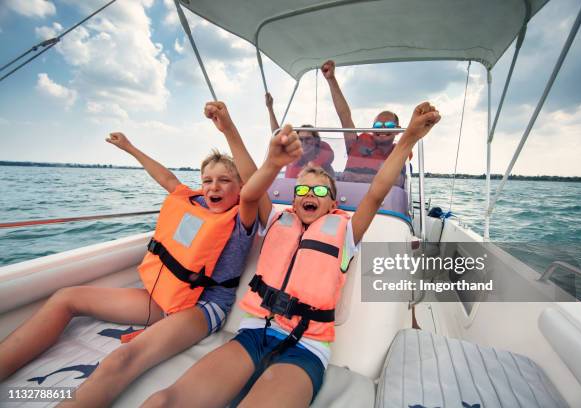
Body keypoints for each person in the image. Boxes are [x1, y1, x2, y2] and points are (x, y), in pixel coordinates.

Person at [141, 101, 440, 408]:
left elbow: (377, 190)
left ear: (333, 205)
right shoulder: (274, 220)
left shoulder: (347, 232)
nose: (310, 195)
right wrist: (228, 128)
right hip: (253, 335)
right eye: (302, 191)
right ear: (293, 202)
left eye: (320, 191)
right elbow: (251, 180)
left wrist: (408, 139)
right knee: (169, 401)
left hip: (306, 349)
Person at [0, 102, 262, 408]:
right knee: (66, 297)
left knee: (120, 359)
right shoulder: (197, 205)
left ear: (240, 186)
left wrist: (228, 129)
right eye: (207, 180)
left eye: (224, 180)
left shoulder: (243, 215)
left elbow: (254, 184)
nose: (214, 187)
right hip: (168, 296)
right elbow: (166, 179)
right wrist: (129, 147)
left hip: (204, 307)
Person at [321, 60, 413, 185]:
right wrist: (331, 79)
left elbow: (414, 134)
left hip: (385, 203)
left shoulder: (401, 152)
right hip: (345, 200)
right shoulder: (355, 143)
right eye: (378, 125)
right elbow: (344, 116)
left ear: (397, 130)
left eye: (389, 125)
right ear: (372, 129)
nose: (383, 129)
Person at [265, 92, 335, 178]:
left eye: (308, 139)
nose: (304, 142)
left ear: (316, 141)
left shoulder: (326, 166)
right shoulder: (292, 154)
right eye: (300, 139)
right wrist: (270, 108)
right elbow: (277, 134)